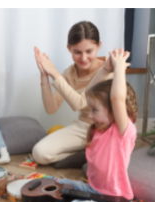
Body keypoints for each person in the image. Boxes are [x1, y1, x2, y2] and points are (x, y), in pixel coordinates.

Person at [19, 48, 138, 202]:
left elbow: (117, 98)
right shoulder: (97, 129)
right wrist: (104, 70)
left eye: (95, 111)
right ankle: (40, 198)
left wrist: (119, 68)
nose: (89, 115)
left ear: (114, 110)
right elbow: (88, 93)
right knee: (61, 183)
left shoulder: (122, 132)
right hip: (92, 189)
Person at [31, 21, 114, 165]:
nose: (83, 58)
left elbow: (79, 103)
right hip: (83, 127)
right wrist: (45, 76)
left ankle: (88, 153)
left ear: (99, 46)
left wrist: (54, 73)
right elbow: (51, 109)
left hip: (106, 129)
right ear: (69, 49)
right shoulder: (69, 73)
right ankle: (81, 156)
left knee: (107, 160)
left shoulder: (108, 70)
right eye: (77, 52)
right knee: (39, 153)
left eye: (89, 51)